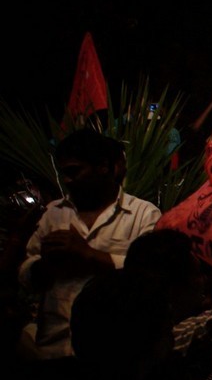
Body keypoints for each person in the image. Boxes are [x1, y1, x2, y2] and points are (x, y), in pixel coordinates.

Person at [19, 129, 161, 358]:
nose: (67, 180)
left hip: (115, 355)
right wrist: (44, 266)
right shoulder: (53, 213)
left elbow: (151, 276)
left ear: (103, 166)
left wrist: (88, 255)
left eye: (74, 171)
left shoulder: (143, 215)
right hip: (53, 350)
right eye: (64, 173)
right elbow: (26, 274)